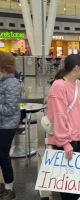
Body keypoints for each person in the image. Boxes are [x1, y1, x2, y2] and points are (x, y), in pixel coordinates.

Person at [46, 54, 80, 200]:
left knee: (78, 181)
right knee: (66, 184)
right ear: (76, 68)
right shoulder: (58, 86)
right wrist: (65, 143)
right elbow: (58, 115)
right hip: (65, 141)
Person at [0, 51, 22, 200]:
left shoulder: (12, 83)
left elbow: (10, 109)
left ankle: (10, 188)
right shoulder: (1, 80)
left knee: (3, 156)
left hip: (7, 126)